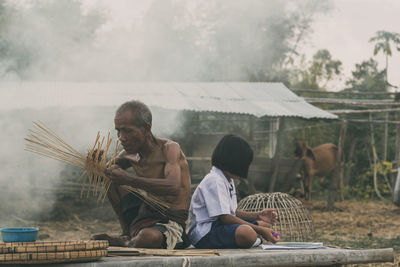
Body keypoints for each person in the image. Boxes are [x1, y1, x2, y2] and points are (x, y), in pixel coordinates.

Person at [92, 100, 191, 249]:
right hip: (143, 216)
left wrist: (130, 179)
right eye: (118, 131)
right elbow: (102, 177)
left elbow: (173, 186)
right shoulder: (128, 154)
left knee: (147, 238)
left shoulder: (169, 149)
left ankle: (126, 242)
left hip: (169, 222)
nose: (121, 137)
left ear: (146, 129)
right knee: (111, 177)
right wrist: (95, 167)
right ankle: (126, 233)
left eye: (127, 131)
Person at [188, 134, 279, 249]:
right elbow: (226, 218)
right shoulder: (215, 180)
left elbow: (231, 212)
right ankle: (256, 239)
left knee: (264, 224)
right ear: (234, 162)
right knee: (248, 233)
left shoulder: (228, 179)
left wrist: (257, 216)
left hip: (219, 225)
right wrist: (260, 230)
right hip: (204, 234)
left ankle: (256, 238)